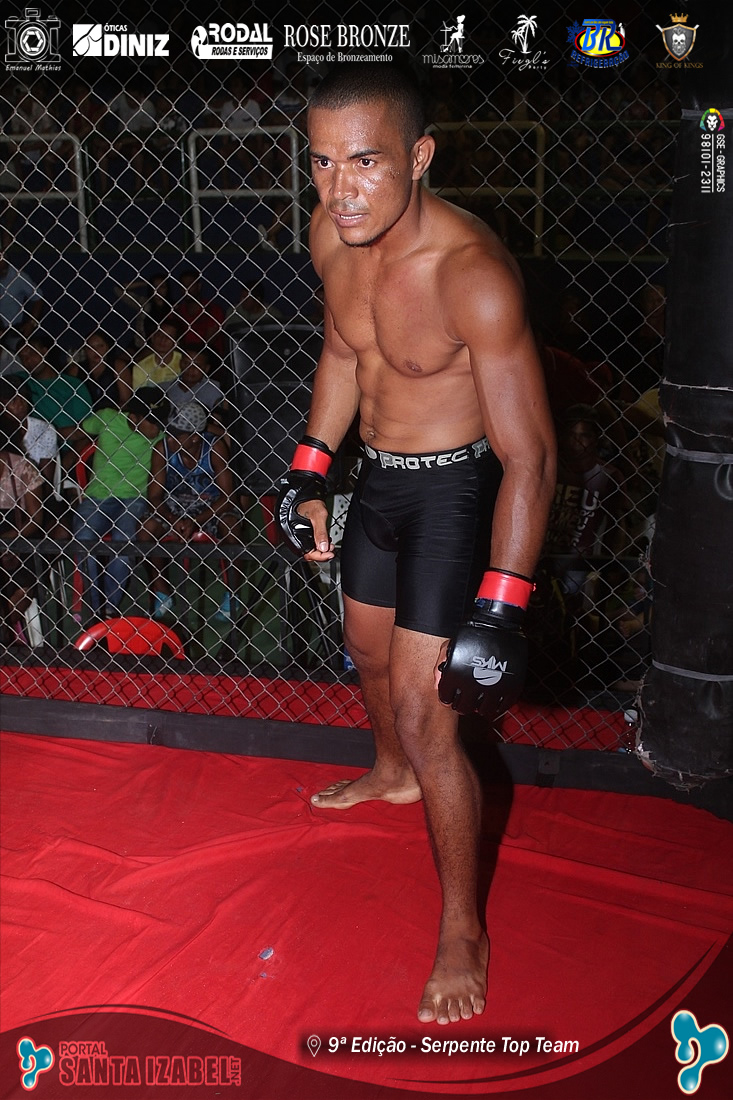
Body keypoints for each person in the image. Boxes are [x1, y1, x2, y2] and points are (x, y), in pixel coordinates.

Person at [275, 64, 555, 1025]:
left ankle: (463, 929)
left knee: (428, 715)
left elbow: (531, 457)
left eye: (364, 162)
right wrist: (310, 470)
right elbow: (344, 352)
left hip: (454, 494)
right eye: (321, 163)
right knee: (364, 652)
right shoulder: (332, 236)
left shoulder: (471, 275)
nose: (339, 188)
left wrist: (501, 604)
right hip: (379, 483)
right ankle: (390, 775)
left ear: (419, 156)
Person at [139, 401, 240, 621]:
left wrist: (197, 519)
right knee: (146, 527)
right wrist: (172, 518)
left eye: (177, 435)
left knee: (231, 526)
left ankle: (232, 593)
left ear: (195, 437)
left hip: (210, 504)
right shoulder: (162, 448)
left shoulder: (214, 448)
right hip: (175, 504)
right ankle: (161, 591)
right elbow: (154, 496)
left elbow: (228, 497)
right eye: (170, 432)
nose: (170, 438)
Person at [73, 388, 167, 618]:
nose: (157, 428)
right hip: (98, 496)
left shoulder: (162, 434)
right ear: (133, 417)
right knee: (83, 538)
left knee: (124, 542)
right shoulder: (108, 418)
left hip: (136, 498)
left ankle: (109, 607)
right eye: (152, 422)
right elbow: (78, 431)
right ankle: (94, 605)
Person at [131, 318, 182, 391]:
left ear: (177, 342)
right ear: (152, 337)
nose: (163, 340)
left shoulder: (184, 362)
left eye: (169, 337)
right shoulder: (141, 367)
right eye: (159, 335)